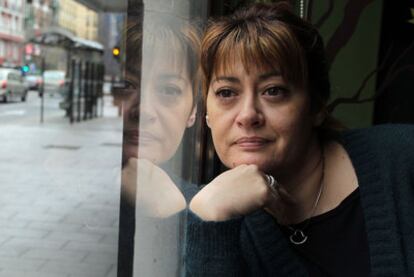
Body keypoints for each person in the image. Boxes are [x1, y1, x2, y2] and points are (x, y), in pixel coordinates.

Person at [185, 2, 414, 277]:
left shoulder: (403, 159)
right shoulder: (221, 217)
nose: (247, 115)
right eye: (226, 93)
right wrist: (211, 218)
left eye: (273, 91)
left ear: (316, 106)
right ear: (207, 114)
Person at [118, 13, 201, 277]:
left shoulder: (208, 212)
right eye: (127, 85)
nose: (143, 110)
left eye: (168, 90)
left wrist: (171, 215)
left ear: (193, 111)